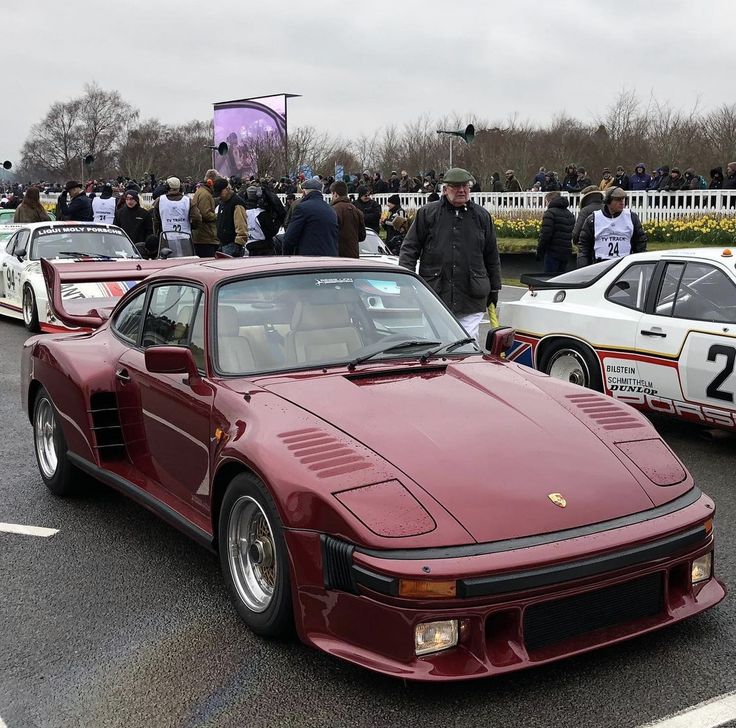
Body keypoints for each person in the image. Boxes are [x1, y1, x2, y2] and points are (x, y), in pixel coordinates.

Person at [399, 168, 501, 342]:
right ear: (445, 190)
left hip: (472, 294)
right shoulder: (428, 214)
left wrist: (494, 288)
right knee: (435, 342)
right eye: (456, 187)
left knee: (467, 342)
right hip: (435, 293)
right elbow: (410, 248)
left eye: (465, 186)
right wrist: (405, 281)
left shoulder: (482, 217)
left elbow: (491, 254)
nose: (462, 190)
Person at [577, 187, 647, 268]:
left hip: (625, 267)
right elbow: (584, 247)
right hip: (599, 266)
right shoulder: (593, 219)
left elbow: (640, 244)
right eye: (617, 200)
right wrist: (584, 267)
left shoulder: (631, 217)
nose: (622, 203)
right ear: (608, 201)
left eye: (623, 199)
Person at [282, 178, 338, 256]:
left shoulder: (302, 208)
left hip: (309, 259)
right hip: (329, 257)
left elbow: (290, 238)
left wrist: (287, 256)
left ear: (304, 192)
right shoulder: (331, 210)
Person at [536, 191, 574, 274]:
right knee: (561, 279)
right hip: (565, 252)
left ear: (550, 201)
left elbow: (546, 234)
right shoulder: (570, 214)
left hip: (552, 252)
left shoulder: (550, 213)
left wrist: (540, 251)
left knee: (549, 279)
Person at [212, 179, 247, 256]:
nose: (219, 196)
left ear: (227, 189)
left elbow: (241, 225)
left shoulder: (237, 203)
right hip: (223, 244)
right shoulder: (223, 203)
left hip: (232, 245)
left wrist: (238, 243)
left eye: (220, 193)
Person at [330, 180, 366, 258]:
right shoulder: (357, 211)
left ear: (335, 194)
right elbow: (362, 236)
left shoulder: (333, 210)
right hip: (354, 256)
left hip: (338, 255)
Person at [191, 169, 219, 257]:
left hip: (202, 237)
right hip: (206, 237)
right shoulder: (205, 195)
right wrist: (217, 216)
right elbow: (205, 214)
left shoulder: (201, 192)